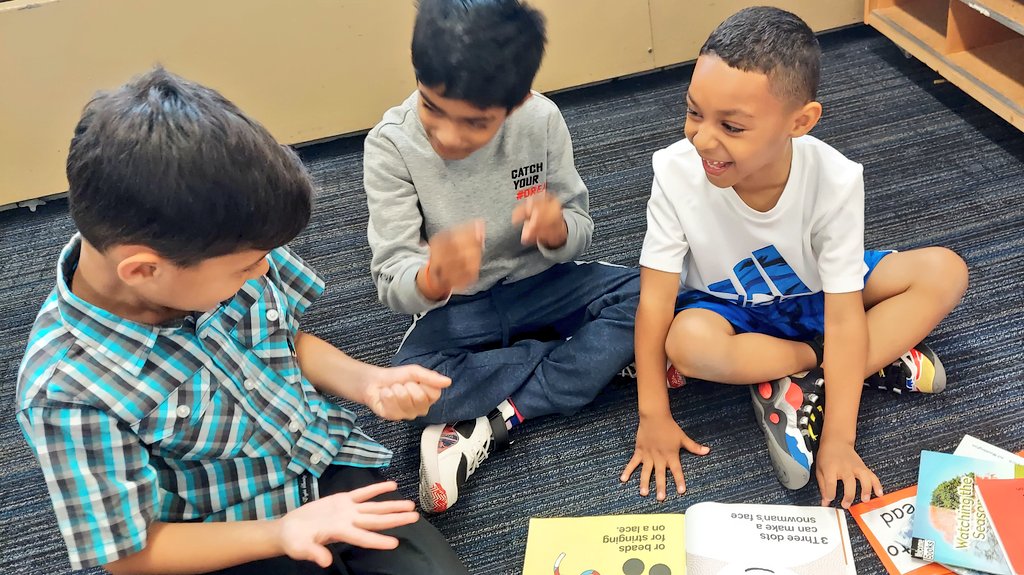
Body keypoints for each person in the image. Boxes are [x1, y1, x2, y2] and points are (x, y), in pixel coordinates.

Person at [15, 68, 468, 575]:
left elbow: (283, 341)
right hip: (216, 535)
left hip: (317, 461)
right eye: (249, 266)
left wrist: (368, 382)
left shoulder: (222, 248)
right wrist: (281, 532)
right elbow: (132, 553)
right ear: (144, 269)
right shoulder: (65, 392)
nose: (265, 268)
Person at [621, 6, 968, 508]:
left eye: (732, 127)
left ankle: (807, 381)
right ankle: (836, 367)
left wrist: (838, 443)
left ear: (800, 122)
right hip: (730, 308)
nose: (701, 138)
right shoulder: (676, 172)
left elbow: (845, 316)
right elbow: (654, 303)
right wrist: (653, 414)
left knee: (945, 270)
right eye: (694, 111)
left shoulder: (835, 178)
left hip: (817, 294)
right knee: (688, 347)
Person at [364, 0, 641, 513]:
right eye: (431, 108)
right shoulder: (391, 146)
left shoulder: (541, 120)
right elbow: (390, 280)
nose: (448, 135)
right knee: (408, 389)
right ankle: (586, 360)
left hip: (543, 285)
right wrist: (429, 279)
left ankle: (500, 413)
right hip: (461, 308)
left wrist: (558, 232)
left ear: (517, 102)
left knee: (655, 295)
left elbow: (580, 227)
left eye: (474, 123)